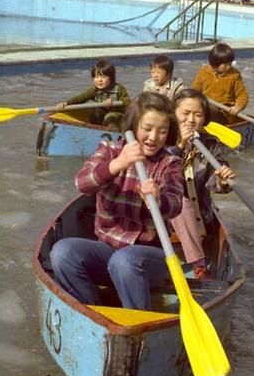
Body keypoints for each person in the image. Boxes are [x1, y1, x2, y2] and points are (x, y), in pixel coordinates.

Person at [50, 92, 183, 311]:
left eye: (162, 131)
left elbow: (175, 203)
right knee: (62, 252)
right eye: (147, 128)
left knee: (124, 261)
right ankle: (94, 314)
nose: (153, 137)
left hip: (148, 257)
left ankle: (137, 321)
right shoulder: (110, 150)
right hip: (107, 249)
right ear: (134, 125)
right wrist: (118, 164)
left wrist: (158, 199)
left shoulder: (169, 163)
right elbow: (82, 183)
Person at [169, 89, 235, 279]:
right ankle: (198, 265)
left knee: (188, 206)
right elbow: (161, 174)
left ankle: (203, 257)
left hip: (200, 218)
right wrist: (180, 145)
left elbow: (213, 183)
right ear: (173, 114)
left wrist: (223, 181)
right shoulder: (162, 138)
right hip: (166, 218)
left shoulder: (210, 144)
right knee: (180, 203)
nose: (191, 120)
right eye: (185, 113)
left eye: (197, 115)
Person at [56, 59, 131, 128]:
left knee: (110, 117)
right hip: (103, 114)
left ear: (111, 78)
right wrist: (66, 103)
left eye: (103, 77)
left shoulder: (119, 89)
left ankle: (114, 135)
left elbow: (128, 104)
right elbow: (81, 98)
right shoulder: (94, 90)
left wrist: (114, 103)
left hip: (117, 116)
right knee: (94, 111)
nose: (99, 80)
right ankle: (95, 130)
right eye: (96, 77)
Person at [191, 43, 249, 124]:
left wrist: (237, 107)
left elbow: (242, 95)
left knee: (211, 108)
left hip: (224, 113)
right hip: (205, 109)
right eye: (225, 64)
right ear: (215, 63)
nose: (229, 66)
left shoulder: (234, 75)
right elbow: (195, 91)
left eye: (230, 63)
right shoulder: (204, 72)